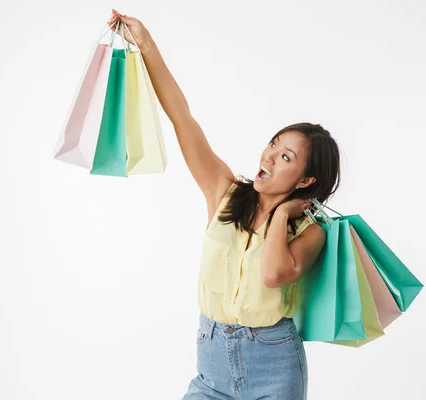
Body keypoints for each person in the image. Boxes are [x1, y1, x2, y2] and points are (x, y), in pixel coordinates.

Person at [109, 11, 341, 400]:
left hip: (275, 367)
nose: (268, 158)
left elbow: (272, 276)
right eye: (273, 144)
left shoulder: (311, 232)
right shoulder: (225, 193)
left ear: (306, 180)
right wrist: (146, 43)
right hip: (211, 368)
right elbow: (182, 118)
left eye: (286, 157)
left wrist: (282, 213)